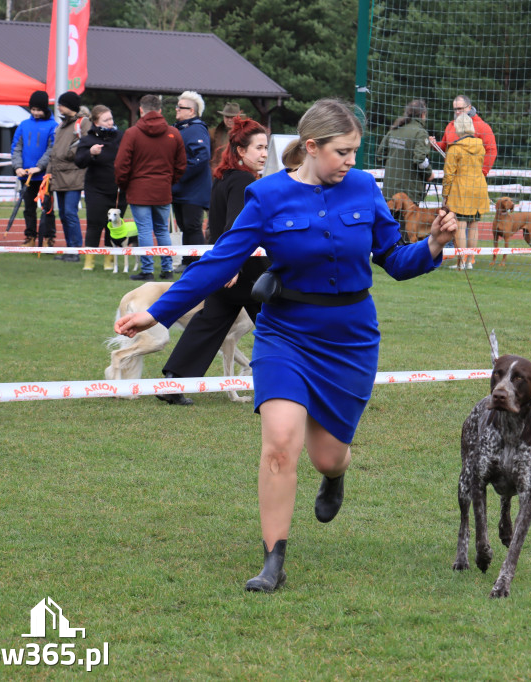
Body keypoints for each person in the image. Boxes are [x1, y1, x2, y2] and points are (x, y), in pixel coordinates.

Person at [113, 98, 457, 593]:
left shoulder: (362, 188)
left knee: (327, 457)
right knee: (279, 445)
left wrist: (433, 246)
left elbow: (395, 259)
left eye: (355, 152)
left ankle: (335, 476)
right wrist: (156, 311)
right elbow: (218, 262)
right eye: (342, 152)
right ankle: (273, 560)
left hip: (351, 340)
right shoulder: (267, 196)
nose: (351, 162)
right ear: (311, 148)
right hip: (286, 334)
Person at [157, 116, 271, 406]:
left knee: (207, 325)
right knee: (283, 324)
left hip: (229, 268)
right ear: (240, 151)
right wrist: (232, 266)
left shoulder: (224, 179)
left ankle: (172, 382)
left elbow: (215, 228)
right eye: (258, 147)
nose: (264, 154)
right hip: (246, 271)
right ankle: (305, 379)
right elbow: (235, 227)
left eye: (266, 147)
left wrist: (221, 266)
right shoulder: (245, 180)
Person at [114, 94, 186, 281]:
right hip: (163, 189)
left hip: (139, 190)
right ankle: (167, 268)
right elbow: (181, 164)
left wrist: (124, 184)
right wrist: (169, 181)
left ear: (141, 110)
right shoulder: (174, 133)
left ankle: (147, 270)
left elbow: (121, 165)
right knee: (162, 230)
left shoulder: (132, 134)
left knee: (144, 230)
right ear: (160, 110)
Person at [75, 104, 125, 271]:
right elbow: (79, 161)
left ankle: (109, 260)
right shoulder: (88, 140)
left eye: (111, 118)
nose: (110, 122)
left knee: (114, 225)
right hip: (96, 189)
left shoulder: (121, 137)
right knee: (95, 223)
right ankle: (89, 261)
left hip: (117, 189)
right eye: (106, 120)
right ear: (96, 122)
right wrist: (91, 153)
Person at [44, 90, 90, 262]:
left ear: (69, 106)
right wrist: (49, 173)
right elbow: (54, 152)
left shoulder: (82, 123)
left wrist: (70, 153)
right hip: (58, 176)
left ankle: (76, 249)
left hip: (73, 176)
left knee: (70, 213)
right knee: (63, 214)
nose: (59, 107)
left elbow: (85, 143)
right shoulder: (61, 126)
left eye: (61, 104)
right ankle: (70, 247)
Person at [443, 114, 490, 270]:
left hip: (461, 190)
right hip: (478, 189)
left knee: (461, 227)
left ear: (458, 127)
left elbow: (448, 175)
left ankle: (461, 261)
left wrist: (445, 195)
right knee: (474, 226)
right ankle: (470, 261)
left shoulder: (455, 148)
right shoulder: (480, 146)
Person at [11, 90, 58, 248]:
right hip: (26, 176)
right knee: (28, 209)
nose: (36, 113)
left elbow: (52, 150)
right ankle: (30, 237)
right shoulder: (24, 125)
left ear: (45, 109)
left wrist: (39, 167)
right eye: (33, 109)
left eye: (39, 110)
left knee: (47, 208)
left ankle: (48, 238)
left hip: (44, 176)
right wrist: (18, 167)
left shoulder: (53, 126)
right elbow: (16, 147)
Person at [171, 91, 212, 269]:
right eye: (177, 106)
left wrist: (180, 174)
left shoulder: (196, 129)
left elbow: (202, 156)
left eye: (181, 107)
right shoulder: (181, 129)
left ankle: (196, 263)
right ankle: (188, 261)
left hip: (193, 190)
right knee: (184, 226)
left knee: (192, 226)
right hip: (181, 189)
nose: (177, 110)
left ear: (192, 111)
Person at [377, 99, 432, 205]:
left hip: (389, 191)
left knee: (389, 220)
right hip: (408, 195)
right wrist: (429, 173)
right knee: (405, 222)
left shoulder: (395, 129)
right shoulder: (420, 133)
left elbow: (380, 155)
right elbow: (420, 159)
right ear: (423, 114)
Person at [434, 95, 497, 176]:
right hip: (453, 177)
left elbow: (491, 150)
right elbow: (443, 146)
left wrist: (482, 172)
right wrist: (433, 144)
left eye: (460, 109)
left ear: (469, 107)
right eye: (455, 109)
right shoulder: (450, 126)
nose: (457, 112)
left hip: (473, 179)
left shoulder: (483, 127)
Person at [209, 102, 242, 171]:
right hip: (218, 173)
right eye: (227, 117)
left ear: (238, 117)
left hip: (238, 173)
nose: (229, 120)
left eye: (232, 117)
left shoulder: (245, 134)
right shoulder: (212, 133)